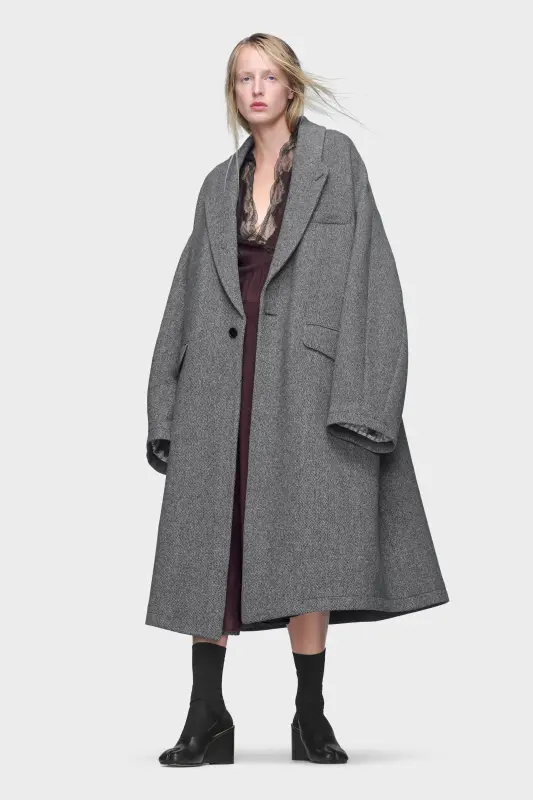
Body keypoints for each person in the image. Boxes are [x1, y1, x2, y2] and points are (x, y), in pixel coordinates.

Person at [147, 33, 449, 767]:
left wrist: (368, 395)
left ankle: (309, 714)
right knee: (211, 545)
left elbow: (372, 275)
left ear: (291, 87)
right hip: (221, 382)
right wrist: (165, 402)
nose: (256, 89)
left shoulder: (335, 162)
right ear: (233, 92)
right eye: (243, 78)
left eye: (268, 76)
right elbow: (187, 292)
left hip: (307, 382)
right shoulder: (215, 184)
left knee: (307, 541)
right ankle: (206, 714)